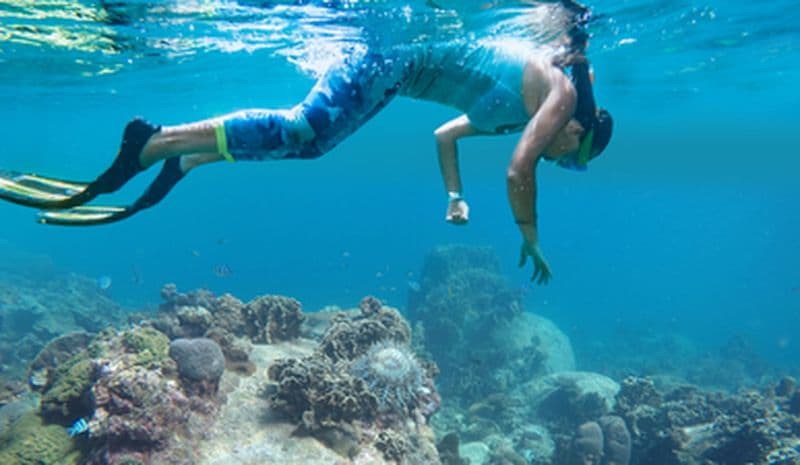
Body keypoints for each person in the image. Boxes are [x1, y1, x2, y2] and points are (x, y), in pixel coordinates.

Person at [0, 0, 611, 285]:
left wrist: (453, 196)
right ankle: (153, 143)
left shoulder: (513, 116)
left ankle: (187, 156)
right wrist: (529, 237)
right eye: (573, 159)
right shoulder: (557, 93)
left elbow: (446, 133)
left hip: (396, 73)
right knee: (304, 128)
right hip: (395, 51)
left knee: (313, 142)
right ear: (579, 129)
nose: (563, 161)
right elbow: (517, 172)